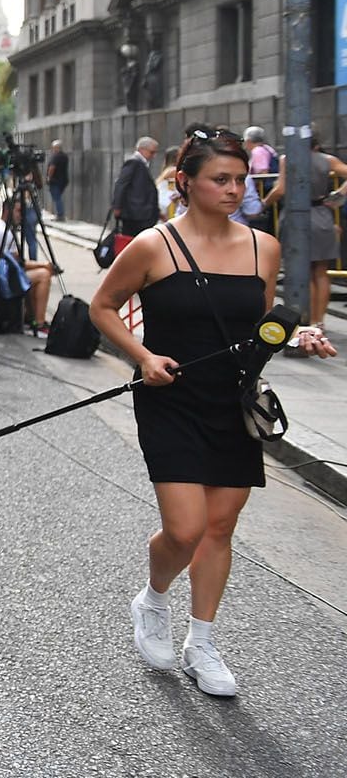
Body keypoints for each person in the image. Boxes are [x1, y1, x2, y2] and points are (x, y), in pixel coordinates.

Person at [89, 128, 335, 697]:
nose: (233, 190)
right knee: (185, 527)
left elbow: (257, 327)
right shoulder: (154, 246)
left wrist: (299, 335)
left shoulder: (260, 247)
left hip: (234, 399)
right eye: (220, 180)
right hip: (169, 397)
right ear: (186, 183)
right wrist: (144, 356)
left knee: (220, 527)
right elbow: (102, 307)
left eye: (240, 180)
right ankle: (152, 599)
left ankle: (202, 643)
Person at [260, 142, 347, 326]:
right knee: (321, 273)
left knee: (303, 271)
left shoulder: (288, 159)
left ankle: (305, 319)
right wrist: (338, 195)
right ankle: (319, 321)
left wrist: (263, 203)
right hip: (322, 215)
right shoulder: (328, 160)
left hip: (296, 217)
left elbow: (281, 189)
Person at [0, 199, 56, 331]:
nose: (21, 216)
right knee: (43, 275)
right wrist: (45, 265)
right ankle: (39, 323)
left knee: (32, 275)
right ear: (7, 211)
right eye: (18, 211)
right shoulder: (3, 232)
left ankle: (30, 316)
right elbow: (19, 264)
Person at [111, 136, 162, 236]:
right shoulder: (133, 162)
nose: (153, 156)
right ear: (142, 149)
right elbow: (121, 184)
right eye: (151, 152)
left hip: (141, 212)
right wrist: (117, 206)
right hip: (135, 213)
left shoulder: (141, 164)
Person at [45, 139, 69, 221]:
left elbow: (52, 168)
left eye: (53, 148)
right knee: (58, 197)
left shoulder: (55, 157)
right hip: (63, 180)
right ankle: (59, 214)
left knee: (57, 198)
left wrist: (48, 177)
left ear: (57, 148)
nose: (53, 150)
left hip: (55, 180)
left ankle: (60, 215)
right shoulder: (64, 156)